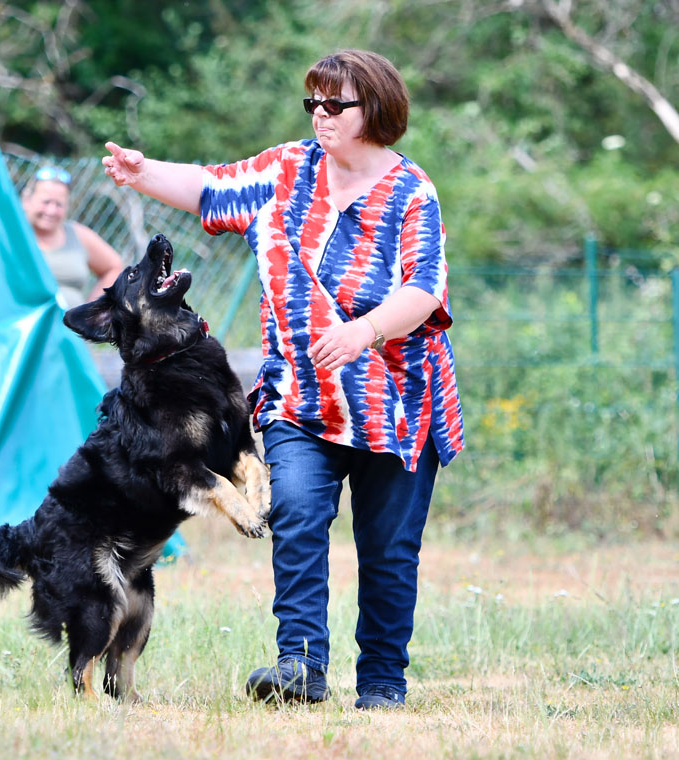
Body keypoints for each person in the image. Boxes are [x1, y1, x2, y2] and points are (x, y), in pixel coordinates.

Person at [101, 49, 465, 710]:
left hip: (399, 405)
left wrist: (364, 331)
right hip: (303, 398)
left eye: (335, 105)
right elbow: (211, 188)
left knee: (387, 553)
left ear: (375, 110)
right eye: (313, 104)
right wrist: (141, 171)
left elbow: (422, 288)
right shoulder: (286, 170)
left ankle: (382, 683)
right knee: (294, 512)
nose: (320, 116)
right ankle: (300, 665)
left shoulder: (412, 193)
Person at [21, 166, 122, 308]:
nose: (51, 211)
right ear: (26, 200)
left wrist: (90, 312)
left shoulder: (78, 235)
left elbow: (114, 268)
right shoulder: (12, 235)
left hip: (68, 328)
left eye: (59, 204)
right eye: (46, 202)